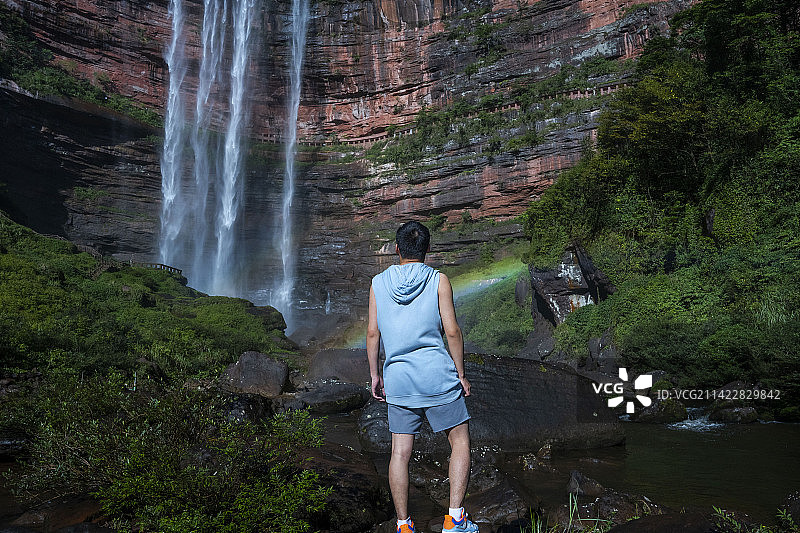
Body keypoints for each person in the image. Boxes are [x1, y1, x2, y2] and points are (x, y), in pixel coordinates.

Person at [367, 221, 478, 533]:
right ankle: (455, 520)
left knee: (399, 453)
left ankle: (403, 525)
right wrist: (461, 373)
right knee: (459, 441)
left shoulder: (378, 283)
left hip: (398, 379)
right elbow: (452, 331)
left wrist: (375, 375)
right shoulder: (438, 280)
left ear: (397, 249)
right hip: (437, 376)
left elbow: (373, 333)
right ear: (428, 248)